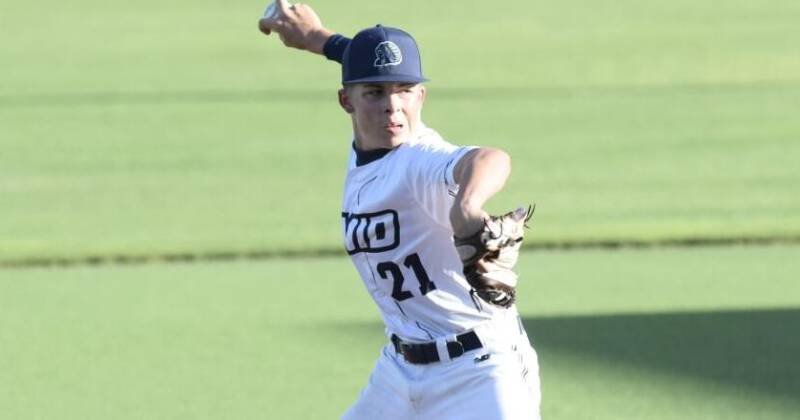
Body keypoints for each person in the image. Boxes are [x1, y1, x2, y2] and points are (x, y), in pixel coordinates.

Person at [259, 2, 541, 419]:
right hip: (399, 370)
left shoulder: (420, 161)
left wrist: (468, 204)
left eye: (405, 90)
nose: (393, 106)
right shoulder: (370, 152)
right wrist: (317, 38)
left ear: (421, 95)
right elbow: (364, 59)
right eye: (375, 93)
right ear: (346, 101)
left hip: (480, 372)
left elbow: (489, 157)